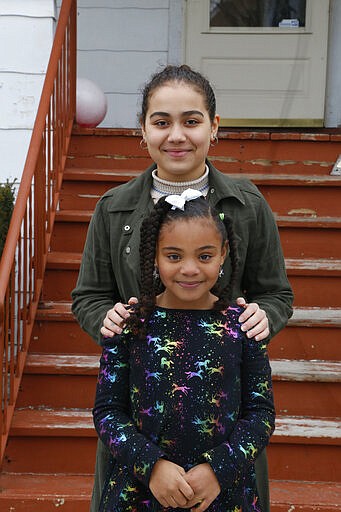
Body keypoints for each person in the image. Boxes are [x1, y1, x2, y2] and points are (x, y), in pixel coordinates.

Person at [71, 64, 293, 511]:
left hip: (223, 432)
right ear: (143, 130)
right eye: (161, 122)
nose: (176, 135)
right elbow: (89, 297)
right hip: (142, 432)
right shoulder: (113, 209)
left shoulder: (247, 206)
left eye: (191, 121)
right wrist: (106, 318)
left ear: (214, 126)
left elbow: (276, 294)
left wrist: (263, 316)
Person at [93, 191, 276, 511]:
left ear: (223, 254)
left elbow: (261, 415)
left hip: (224, 495)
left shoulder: (244, 326)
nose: (189, 269)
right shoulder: (129, 325)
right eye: (174, 256)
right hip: (139, 495)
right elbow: (108, 412)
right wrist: (151, 466)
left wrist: (218, 470)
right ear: (154, 257)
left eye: (204, 256)